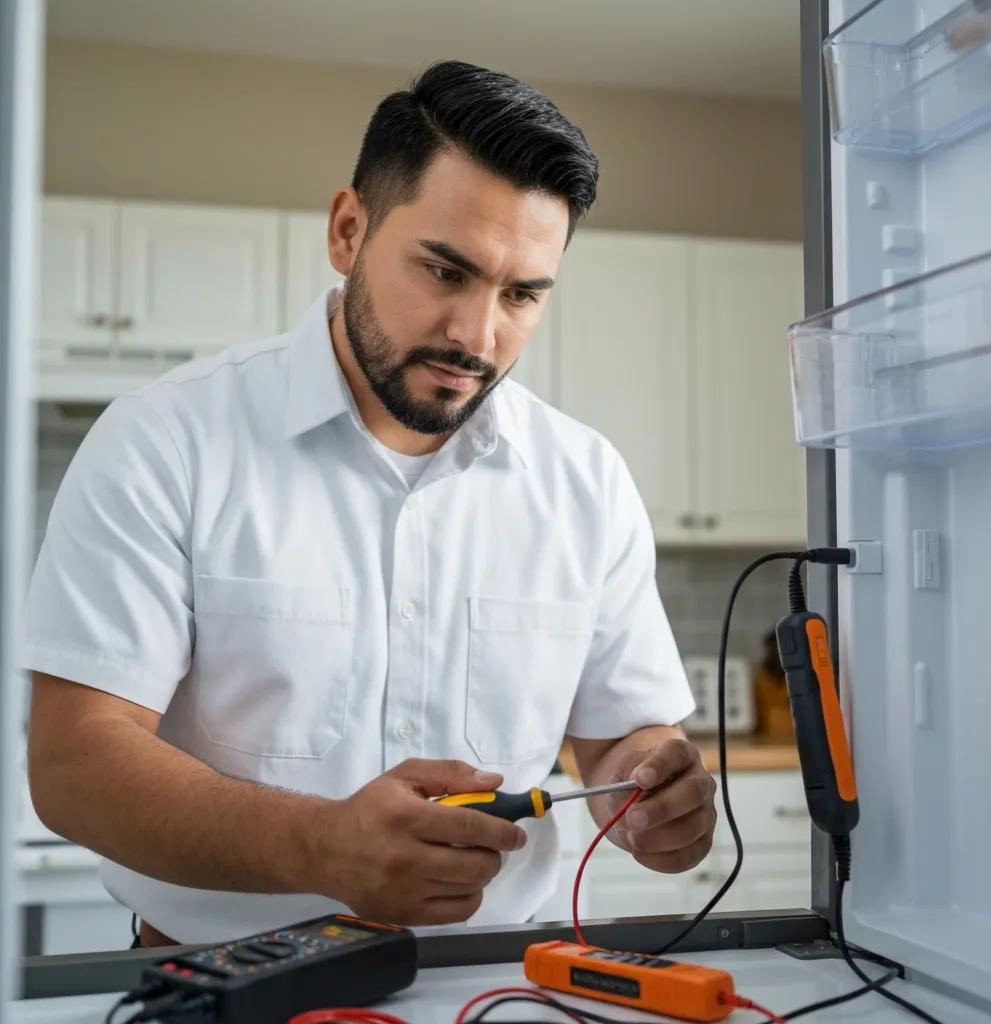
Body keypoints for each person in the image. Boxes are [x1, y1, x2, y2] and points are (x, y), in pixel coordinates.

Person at [23, 60, 715, 947]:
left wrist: (654, 794)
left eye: (522, 295)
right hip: (227, 985)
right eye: (444, 270)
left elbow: (622, 743)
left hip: (500, 982)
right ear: (349, 230)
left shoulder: (588, 482)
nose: (478, 335)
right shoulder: (165, 441)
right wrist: (322, 847)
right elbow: (74, 763)